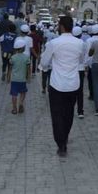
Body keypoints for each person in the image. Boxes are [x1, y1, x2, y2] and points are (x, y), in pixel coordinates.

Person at [40, 16, 85, 157]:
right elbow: (81, 61)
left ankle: (61, 144)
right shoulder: (80, 43)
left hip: (57, 84)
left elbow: (45, 62)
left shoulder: (54, 43)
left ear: (61, 26)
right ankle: (64, 137)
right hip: (73, 84)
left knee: (57, 115)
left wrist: (45, 67)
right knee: (69, 114)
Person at [10, 38, 29, 115]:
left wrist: (8, 77)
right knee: (23, 92)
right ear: (22, 48)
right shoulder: (26, 57)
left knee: (14, 94)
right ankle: (21, 103)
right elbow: (28, 68)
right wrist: (28, 77)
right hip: (22, 79)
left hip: (14, 79)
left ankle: (14, 109)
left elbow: (10, 68)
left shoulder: (13, 57)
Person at [71, 26, 88, 118]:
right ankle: (80, 111)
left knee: (71, 89)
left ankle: (69, 109)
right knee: (80, 91)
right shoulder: (83, 43)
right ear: (81, 34)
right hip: (80, 69)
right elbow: (85, 56)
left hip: (72, 68)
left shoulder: (70, 43)